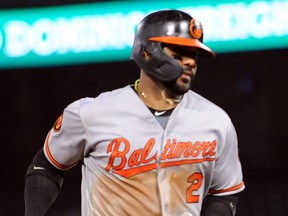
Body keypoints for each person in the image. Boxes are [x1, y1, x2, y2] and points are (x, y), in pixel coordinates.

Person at [24, 9, 245, 216]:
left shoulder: (216, 121)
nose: (190, 62)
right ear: (147, 53)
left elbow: (225, 194)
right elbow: (46, 166)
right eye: (179, 53)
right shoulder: (92, 113)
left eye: (194, 55)